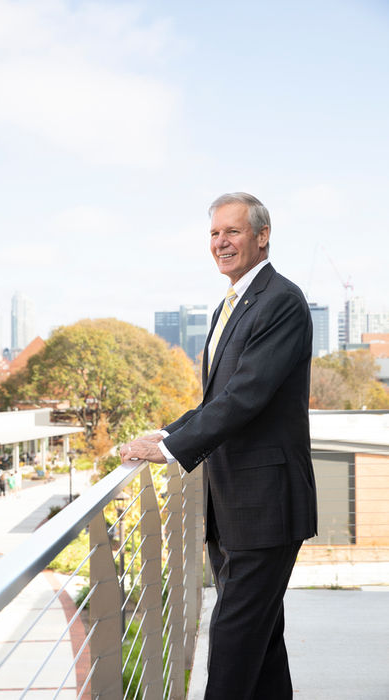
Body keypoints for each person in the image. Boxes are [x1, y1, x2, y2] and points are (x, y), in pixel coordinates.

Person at [120, 192, 317, 699]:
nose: (221, 243)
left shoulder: (281, 301)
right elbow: (218, 397)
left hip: (266, 507)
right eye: (214, 233)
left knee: (231, 648)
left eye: (232, 232)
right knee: (261, 646)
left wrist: (170, 452)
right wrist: (166, 433)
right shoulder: (228, 305)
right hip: (233, 505)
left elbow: (247, 396)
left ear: (262, 235)